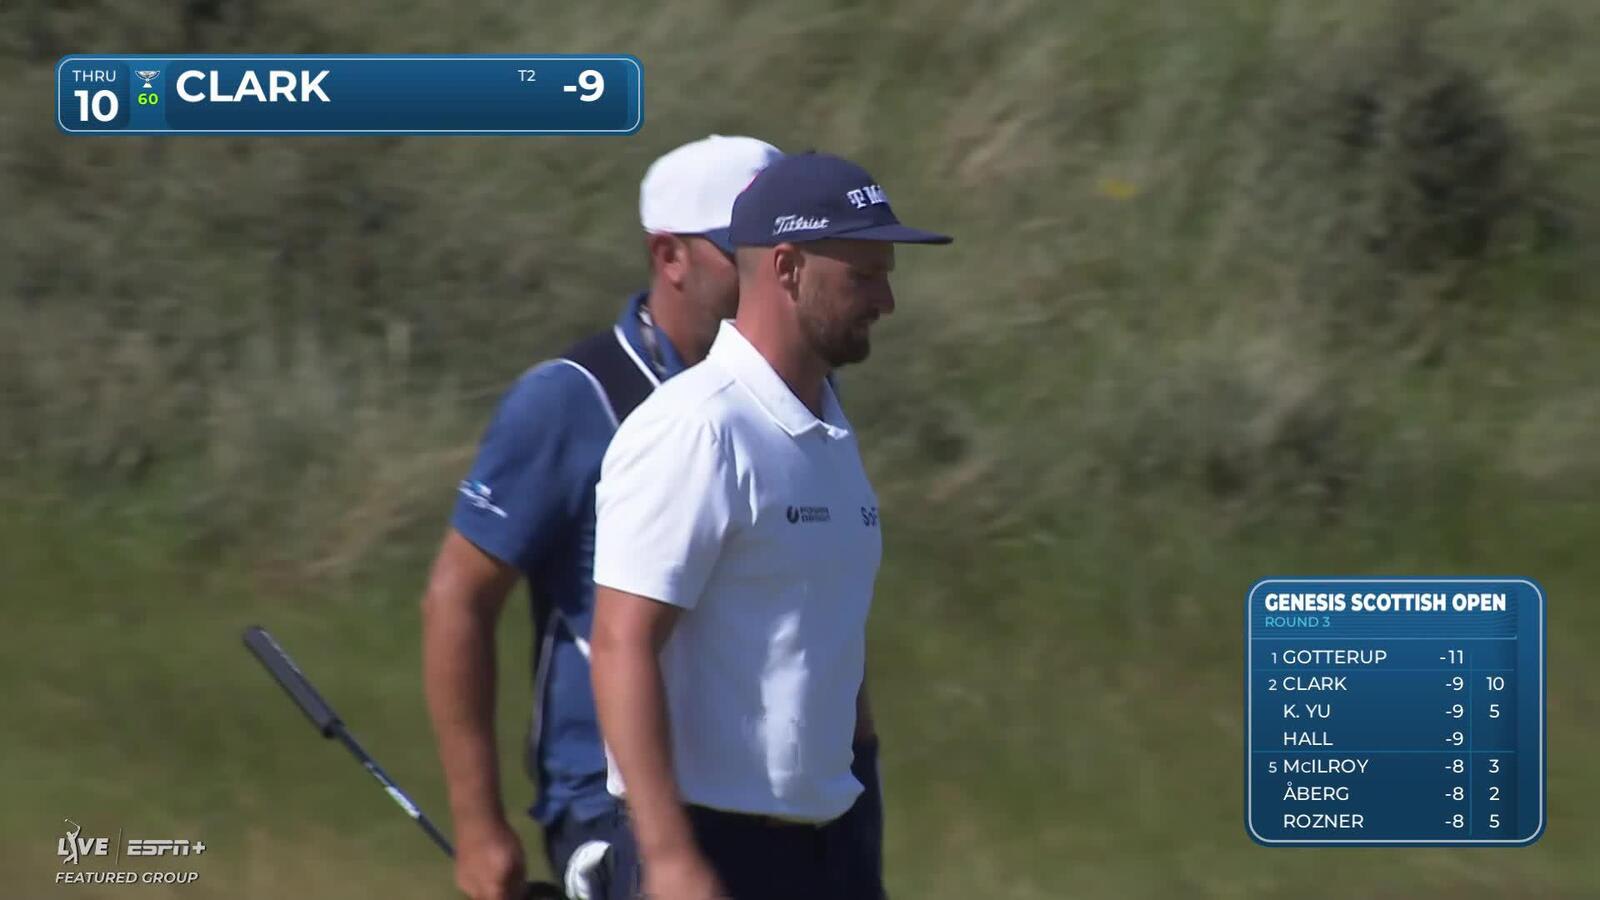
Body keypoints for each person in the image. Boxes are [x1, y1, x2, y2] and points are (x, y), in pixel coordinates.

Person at [421, 134, 784, 900]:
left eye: (786, 254)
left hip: (766, 796)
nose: (774, 278)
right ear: (669, 256)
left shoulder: (790, 395)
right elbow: (458, 598)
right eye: (745, 255)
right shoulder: (572, 399)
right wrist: (479, 824)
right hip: (612, 808)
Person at [589, 152, 952, 900]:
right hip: (717, 849)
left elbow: (827, 634)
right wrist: (670, 859)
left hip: (831, 845)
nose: (886, 300)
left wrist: (861, 818)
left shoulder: (829, 427)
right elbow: (623, 643)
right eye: (863, 276)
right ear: (787, 267)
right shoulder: (698, 428)